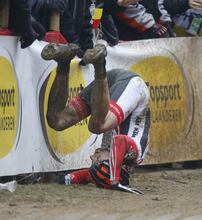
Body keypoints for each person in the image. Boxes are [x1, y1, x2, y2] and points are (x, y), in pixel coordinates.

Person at [41, 43, 150, 191]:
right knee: (97, 126)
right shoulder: (133, 155)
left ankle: (64, 62)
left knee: (57, 120)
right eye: (97, 161)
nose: (92, 157)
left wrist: (64, 180)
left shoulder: (110, 161)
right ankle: (99, 64)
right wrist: (114, 181)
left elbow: (85, 176)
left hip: (109, 84)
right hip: (133, 86)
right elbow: (121, 140)